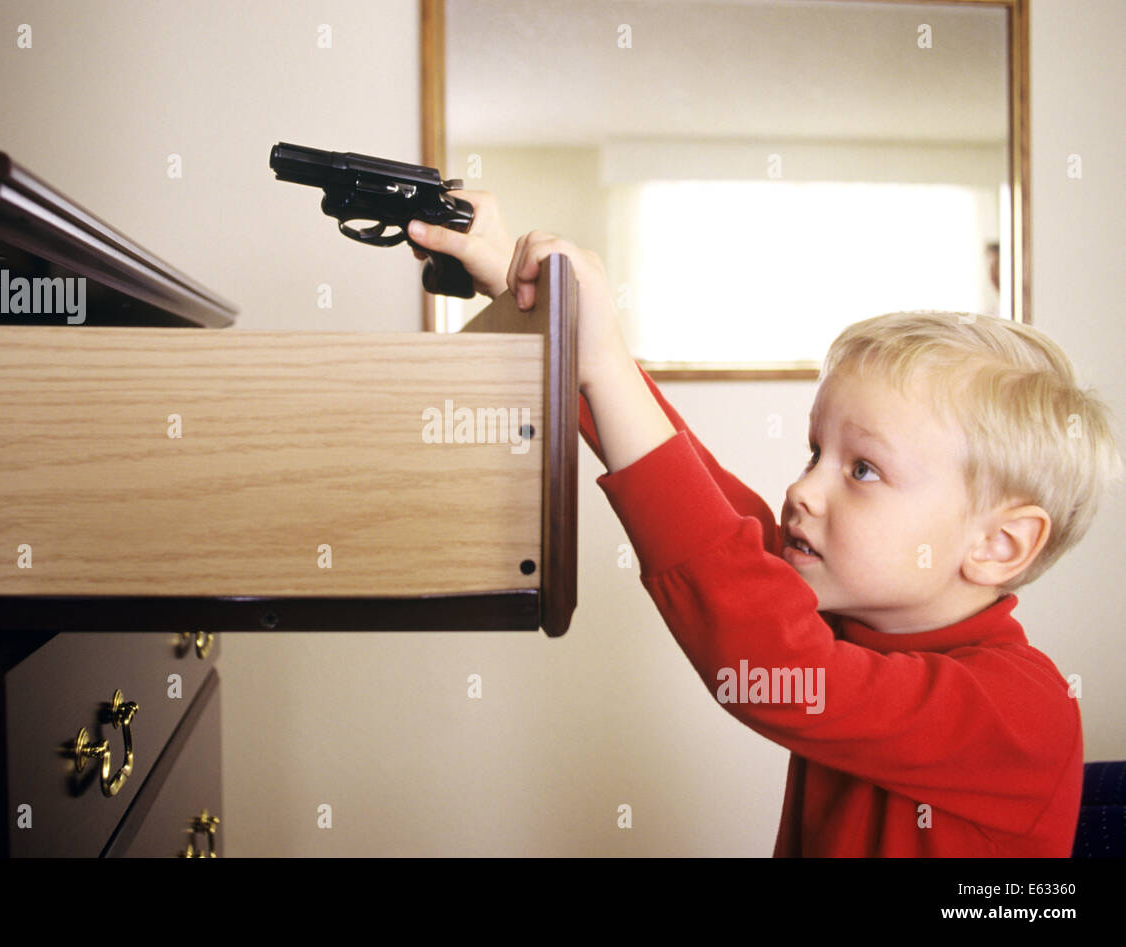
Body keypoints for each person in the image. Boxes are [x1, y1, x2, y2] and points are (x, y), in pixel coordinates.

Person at [408, 194, 1123, 856]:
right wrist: (551, 314)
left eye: (863, 469)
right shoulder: (860, 624)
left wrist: (601, 364)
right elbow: (717, 516)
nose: (801, 488)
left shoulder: (1021, 712)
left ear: (998, 545)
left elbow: (770, 655)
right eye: (816, 451)